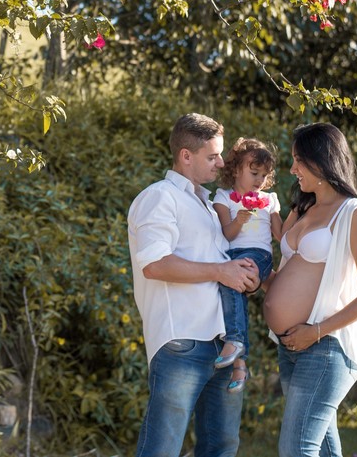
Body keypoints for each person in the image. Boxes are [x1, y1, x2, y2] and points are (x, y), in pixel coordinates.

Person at [127, 113, 260, 457]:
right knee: (162, 449)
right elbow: (155, 264)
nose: (222, 163)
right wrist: (221, 271)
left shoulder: (209, 205)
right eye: (212, 156)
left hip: (223, 344)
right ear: (186, 155)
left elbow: (223, 268)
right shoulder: (160, 197)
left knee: (222, 447)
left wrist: (243, 274)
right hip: (182, 342)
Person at [263, 123, 357, 457]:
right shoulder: (303, 208)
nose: (292, 169)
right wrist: (256, 278)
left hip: (326, 346)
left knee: (296, 448)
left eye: (299, 160)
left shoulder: (354, 212)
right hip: (290, 346)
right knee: (324, 449)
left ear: (322, 160)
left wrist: (315, 332)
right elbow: (289, 275)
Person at [211, 138, 283, 393]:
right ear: (235, 170)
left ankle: (235, 342)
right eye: (254, 173)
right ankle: (239, 363)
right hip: (233, 255)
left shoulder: (269, 200)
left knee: (233, 281)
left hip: (259, 256)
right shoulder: (223, 198)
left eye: (264, 175)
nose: (259, 180)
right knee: (229, 295)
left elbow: (280, 235)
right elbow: (228, 234)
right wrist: (239, 220)